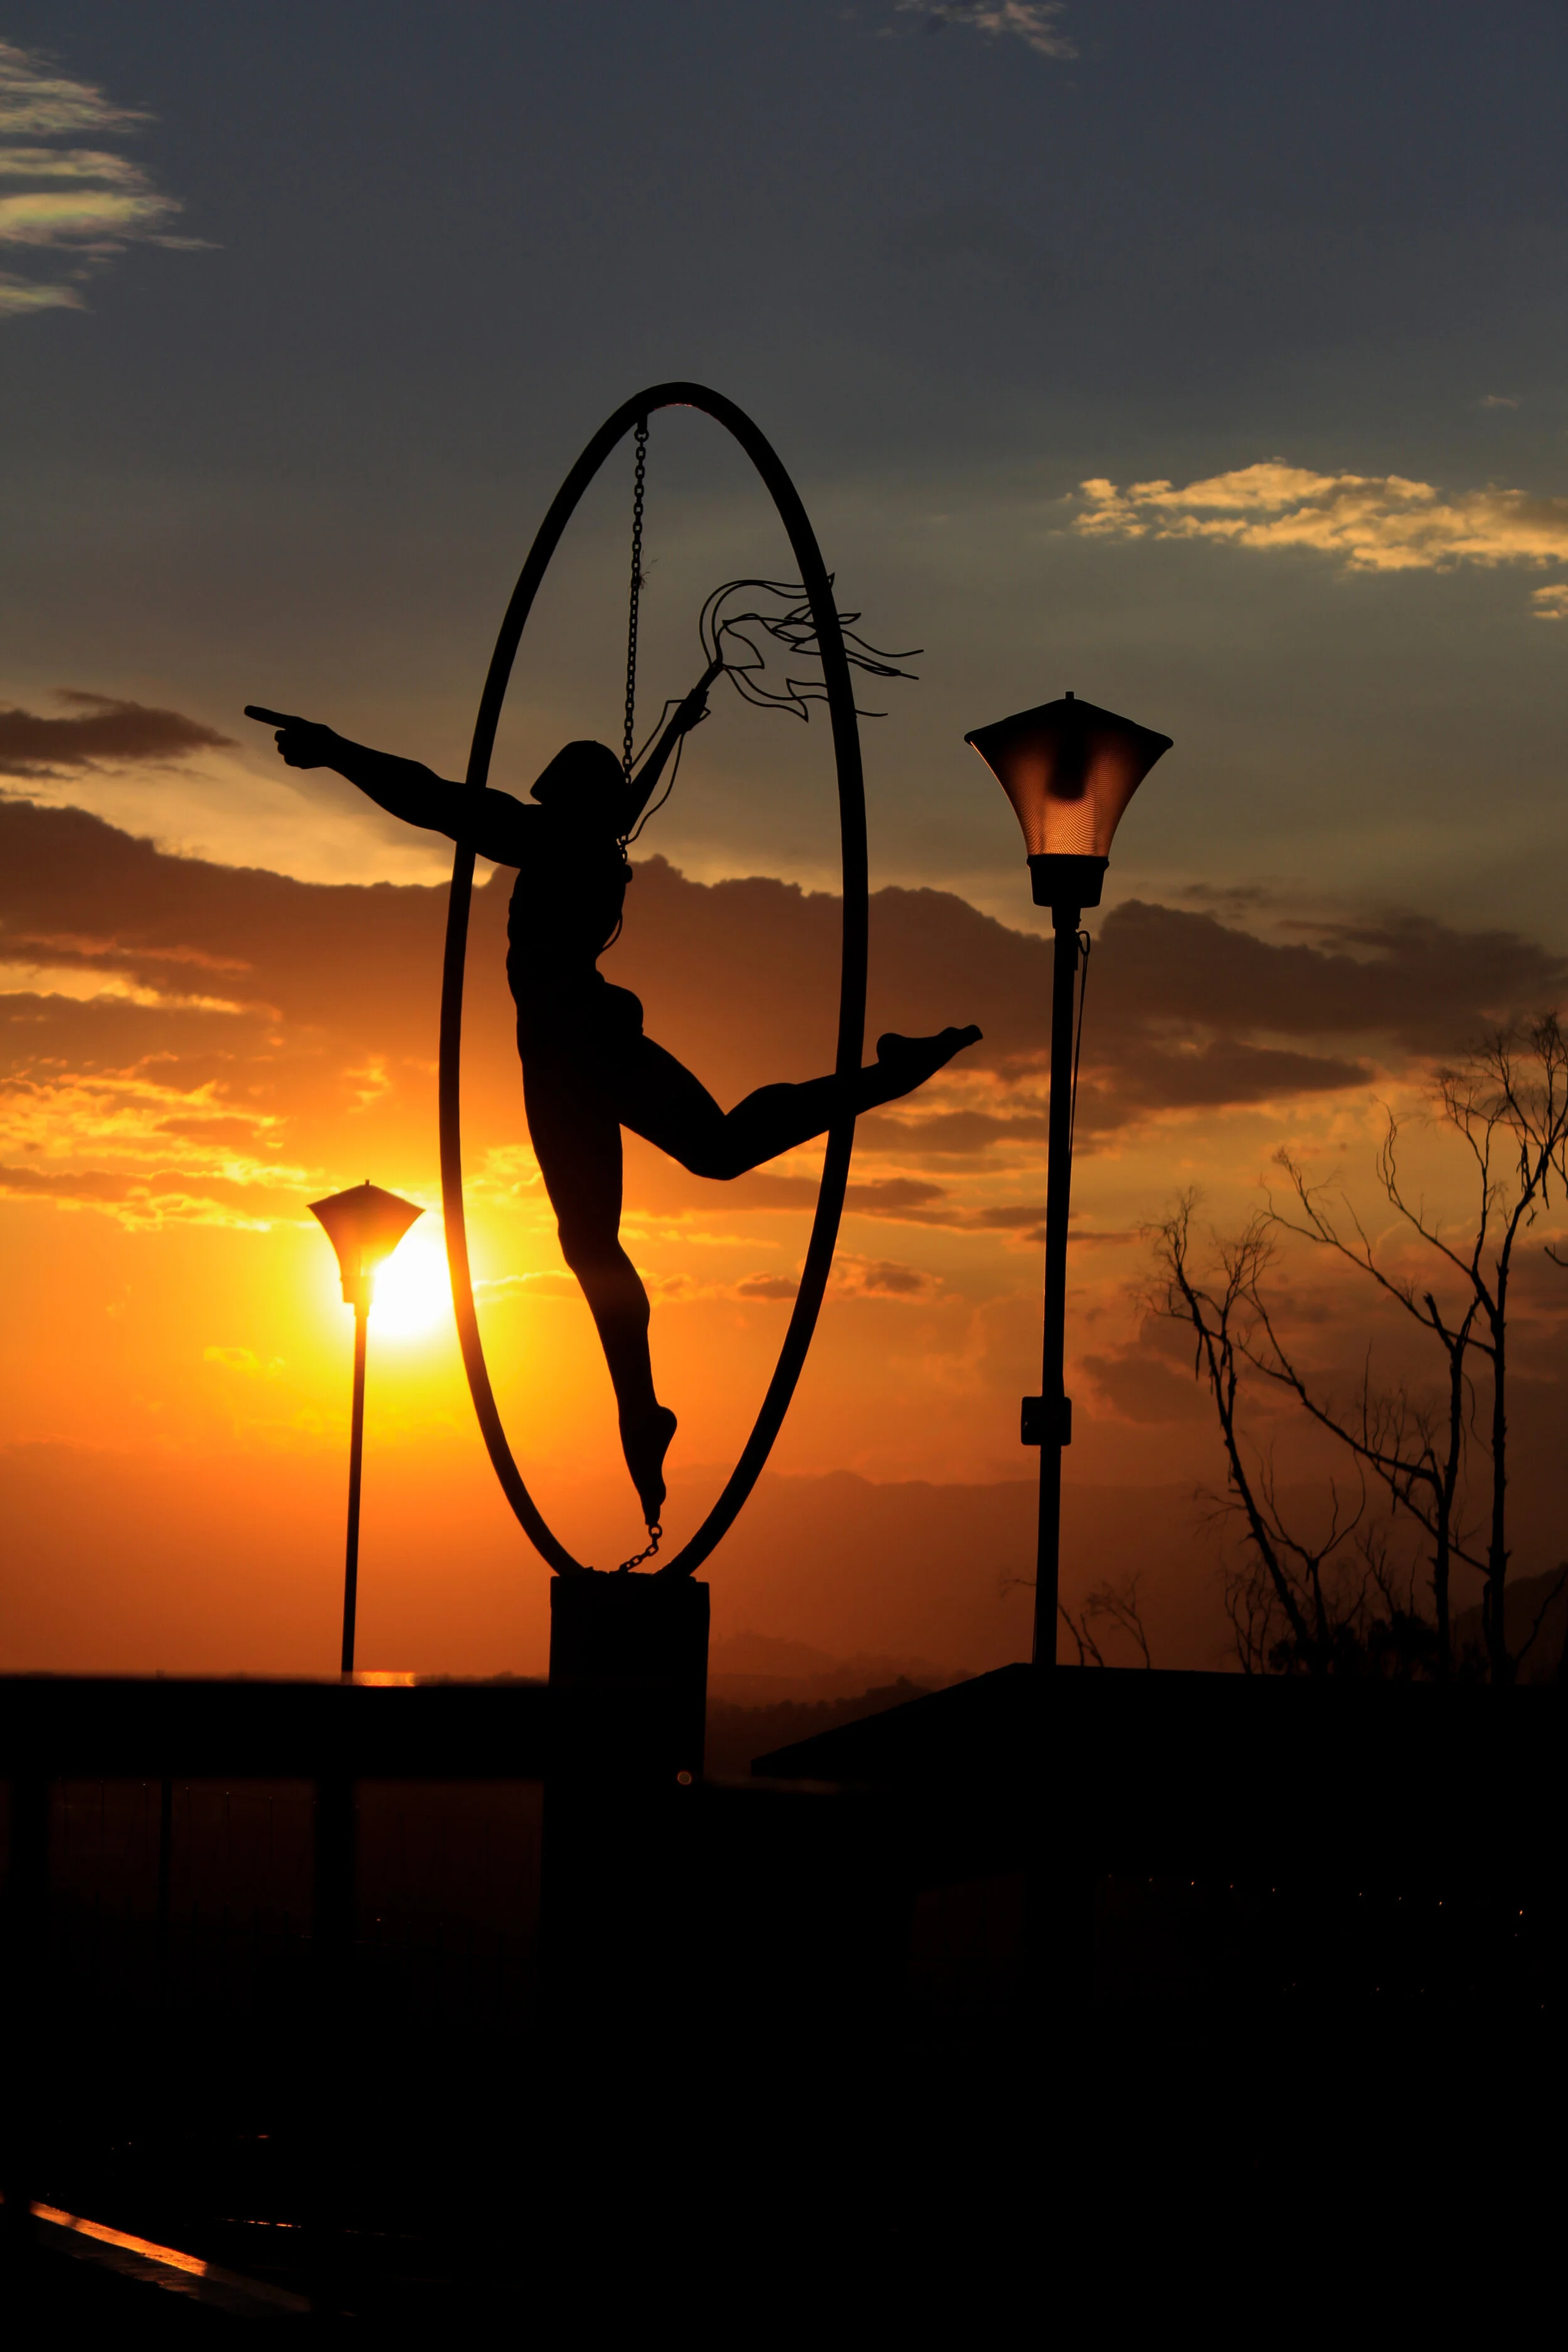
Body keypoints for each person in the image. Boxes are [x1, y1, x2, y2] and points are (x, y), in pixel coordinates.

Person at [246, 679, 980, 1528]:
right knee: (698, 1163)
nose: (540, 803)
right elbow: (624, 799)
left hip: (569, 1045)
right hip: (581, 1038)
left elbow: (428, 795)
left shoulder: (551, 839)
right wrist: (677, 723)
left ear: (562, 801)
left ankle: (640, 1406)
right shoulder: (597, 842)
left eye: (552, 794)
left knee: (617, 1223)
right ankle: (881, 1081)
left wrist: (335, 748)